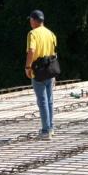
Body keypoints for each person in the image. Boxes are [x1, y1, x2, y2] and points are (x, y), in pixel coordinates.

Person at [25, 9, 57, 139]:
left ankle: (45, 131)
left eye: (30, 20)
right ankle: (51, 127)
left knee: (42, 101)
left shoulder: (32, 34)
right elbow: (54, 53)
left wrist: (28, 67)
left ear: (34, 20)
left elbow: (31, 50)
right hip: (50, 69)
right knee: (49, 101)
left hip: (38, 70)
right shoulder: (51, 33)